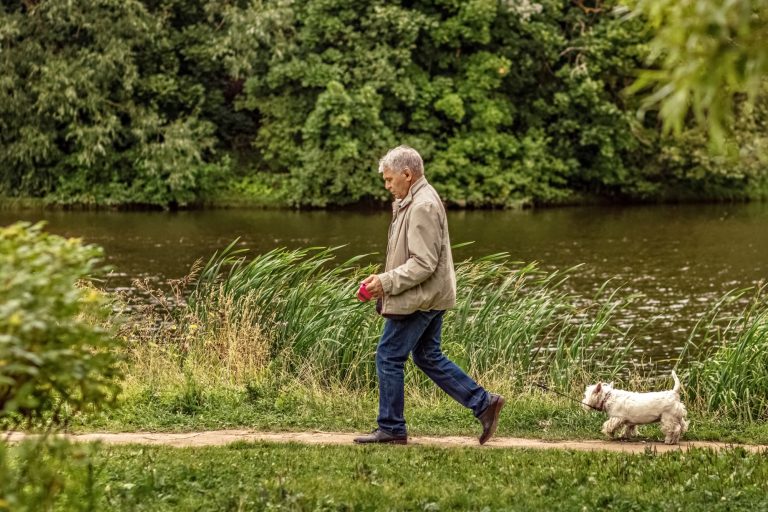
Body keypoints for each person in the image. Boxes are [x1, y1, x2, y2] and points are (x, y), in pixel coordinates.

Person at [353, 145, 505, 445]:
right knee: (427, 355)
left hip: (421, 298)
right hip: (431, 294)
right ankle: (483, 403)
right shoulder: (416, 199)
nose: (386, 186)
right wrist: (383, 278)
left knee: (388, 356)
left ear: (407, 175)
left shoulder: (422, 205)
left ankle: (392, 428)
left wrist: (386, 282)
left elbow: (423, 264)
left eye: (389, 179)